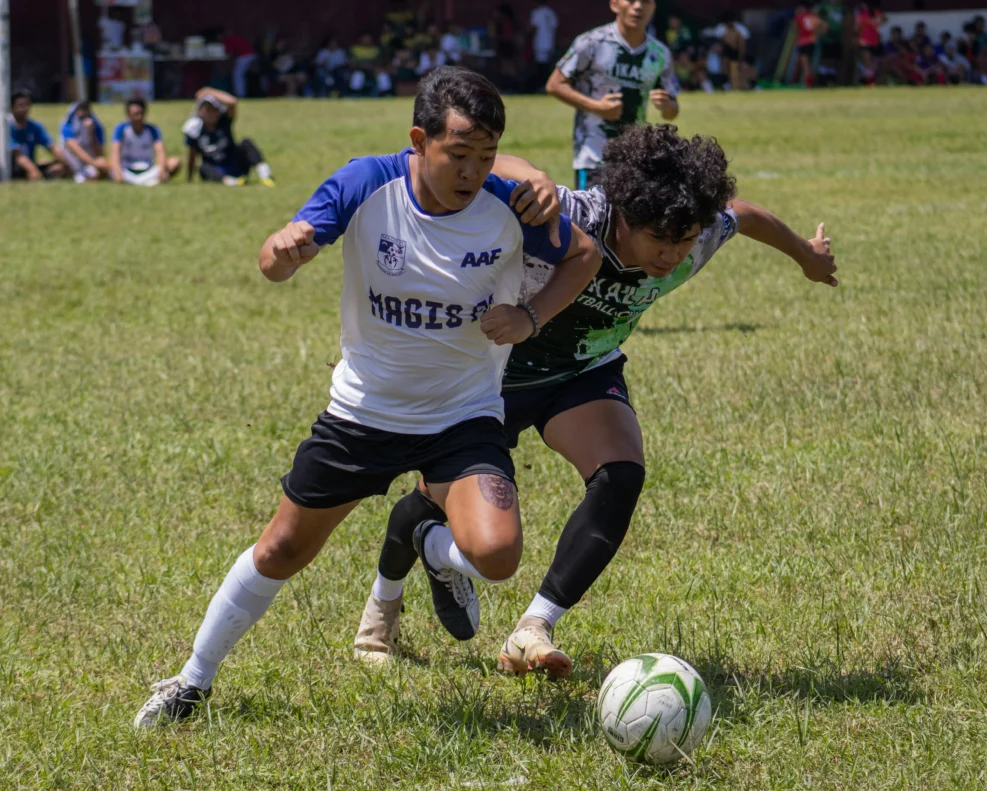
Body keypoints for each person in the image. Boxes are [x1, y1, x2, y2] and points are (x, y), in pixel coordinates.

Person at [133, 66, 600, 727]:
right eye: (459, 154)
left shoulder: (510, 205)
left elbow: (582, 256)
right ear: (419, 140)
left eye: (487, 155)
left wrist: (531, 317)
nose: (473, 172)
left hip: (462, 415)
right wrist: (284, 253)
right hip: (363, 414)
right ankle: (192, 680)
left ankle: (427, 540)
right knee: (281, 550)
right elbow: (273, 260)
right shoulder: (365, 184)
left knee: (498, 555)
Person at [354, 123, 839, 673]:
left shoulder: (695, 232)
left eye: (684, 240)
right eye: (659, 239)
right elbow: (492, 169)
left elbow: (743, 214)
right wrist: (532, 174)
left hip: (582, 373)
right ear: (624, 214)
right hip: (490, 379)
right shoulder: (576, 215)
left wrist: (805, 255)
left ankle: (534, 627)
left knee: (620, 474)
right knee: (433, 503)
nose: (672, 255)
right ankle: (382, 609)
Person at [547, 0, 679, 190]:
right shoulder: (592, 42)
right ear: (615, 4)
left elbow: (672, 112)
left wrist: (666, 105)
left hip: (635, 157)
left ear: (653, 8)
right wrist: (597, 107)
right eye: (631, 1)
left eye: (646, 1)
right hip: (593, 155)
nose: (638, 7)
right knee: (592, 210)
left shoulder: (659, 54)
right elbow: (554, 85)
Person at [182, 87, 275, 187]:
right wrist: (189, 179)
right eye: (206, 110)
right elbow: (192, 155)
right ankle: (230, 182)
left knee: (246, 143)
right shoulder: (195, 129)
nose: (210, 114)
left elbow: (232, 102)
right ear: (199, 112)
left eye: (213, 110)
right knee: (203, 168)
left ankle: (265, 175)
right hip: (216, 170)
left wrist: (208, 91)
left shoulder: (224, 122)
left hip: (235, 164)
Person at [110, 99, 180, 186]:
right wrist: (118, 172)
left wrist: (162, 170)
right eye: (135, 114)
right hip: (126, 170)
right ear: (128, 114)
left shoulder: (152, 130)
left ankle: (153, 179)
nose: (139, 117)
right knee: (105, 164)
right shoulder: (121, 129)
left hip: (147, 170)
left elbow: (160, 151)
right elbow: (115, 152)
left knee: (174, 162)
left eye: (141, 114)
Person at [7, 88, 67, 180]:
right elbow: (18, 155)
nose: (25, 108)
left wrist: (65, 163)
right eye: (21, 105)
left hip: (31, 164)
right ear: (12, 107)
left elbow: (51, 146)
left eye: (27, 104)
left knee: (59, 169)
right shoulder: (6, 127)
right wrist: (33, 170)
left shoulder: (34, 126)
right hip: (14, 167)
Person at [59, 101, 109, 182]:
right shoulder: (68, 126)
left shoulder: (96, 126)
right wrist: (94, 163)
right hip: (73, 159)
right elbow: (74, 148)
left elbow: (99, 152)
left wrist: (92, 133)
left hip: (90, 158)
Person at [793, 4, 828, 88]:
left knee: (805, 64)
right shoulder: (813, 17)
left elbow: (796, 29)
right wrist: (817, 33)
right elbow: (825, 26)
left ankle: (808, 84)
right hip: (812, 42)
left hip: (803, 42)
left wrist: (797, 39)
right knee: (809, 63)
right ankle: (810, 82)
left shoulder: (800, 17)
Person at [530, 0, 560, 93]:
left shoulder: (536, 12)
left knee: (541, 65)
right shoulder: (551, 12)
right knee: (548, 65)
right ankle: (548, 85)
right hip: (550, 42)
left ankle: (543, 85)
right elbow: (555, 27)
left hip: (540, 42)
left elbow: (534, 27)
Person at [856, 2, 886, 84]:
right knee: (868, 63)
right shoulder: (863, 14)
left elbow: (885, 19)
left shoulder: (875, 13)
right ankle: (869, 82)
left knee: (874, 63)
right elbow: (857, 27)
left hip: (873, 42)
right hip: (865, 42)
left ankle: (873, 81)